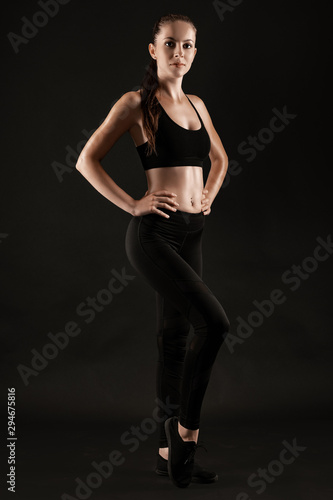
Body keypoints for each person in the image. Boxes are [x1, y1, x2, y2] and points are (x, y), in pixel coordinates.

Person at [76, 13, 230, 488]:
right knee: (215, 324)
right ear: (153, 49)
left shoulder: (199, 105)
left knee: (174, 337)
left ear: (194, 52)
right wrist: (133, 204)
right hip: (155, 235)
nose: (179, 53)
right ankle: (186, 432)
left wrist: (209, 195)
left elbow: (220, 159)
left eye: (187, 46)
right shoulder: (136, 104)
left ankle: (168, 456)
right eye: (170, 45)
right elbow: (86, 160)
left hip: (192, 233)